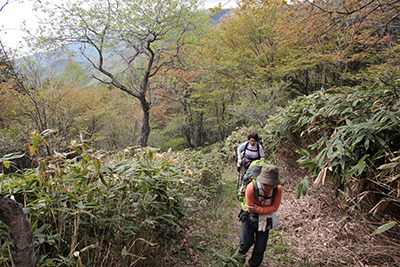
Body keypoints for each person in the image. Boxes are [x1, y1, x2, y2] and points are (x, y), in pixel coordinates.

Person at [237, 164, 282, 267]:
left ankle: (254, 264)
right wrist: (263, 210)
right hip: (248, 215)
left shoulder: (278, 189)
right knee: (245, 242)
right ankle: (238, 260)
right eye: (267, 184)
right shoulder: (251, 187)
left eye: (272, 184)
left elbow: (275, 208)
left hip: (265, 218)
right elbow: (250, 208)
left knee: (261, 246)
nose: (269, 187)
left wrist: (258, 209)